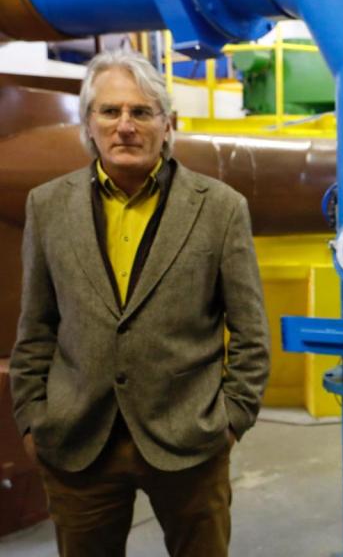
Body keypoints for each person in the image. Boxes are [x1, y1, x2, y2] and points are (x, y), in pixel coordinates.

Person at [8, 48, 270, 557]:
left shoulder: (219, 209)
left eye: (141, 112)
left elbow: (251, 331)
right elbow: (36, 324)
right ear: (89, 123)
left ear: (167, 124)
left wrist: (230, 422)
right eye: (110, 111)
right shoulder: (47, 205)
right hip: (78, 441)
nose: (125, 125)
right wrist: (31, 419)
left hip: (190, 443)